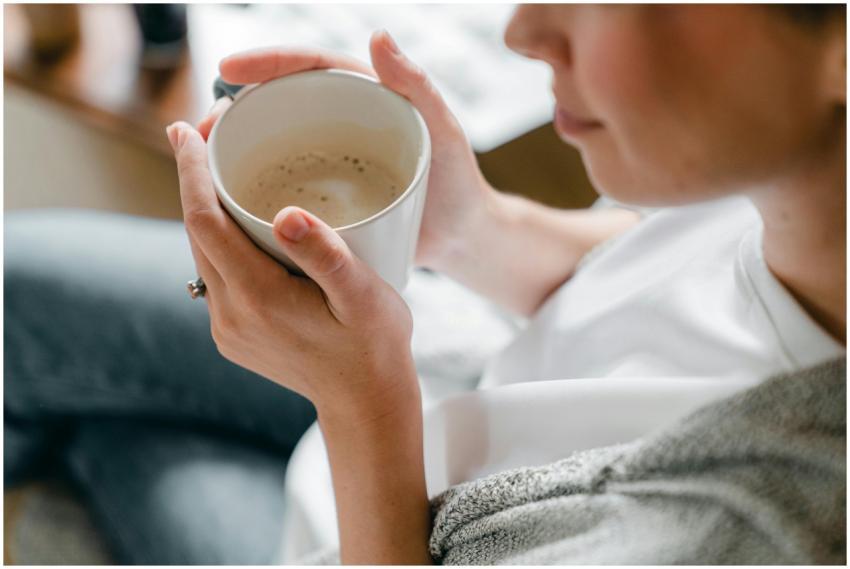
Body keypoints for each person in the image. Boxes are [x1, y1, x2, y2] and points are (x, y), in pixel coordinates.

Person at [4, 4, 845, 565]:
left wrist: (361, 406)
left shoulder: (763, 526)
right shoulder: (784, 177)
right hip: (444, 362)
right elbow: (659, 272)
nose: (524, 30)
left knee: (108, 444)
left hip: (367, 511)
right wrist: (468, 227)